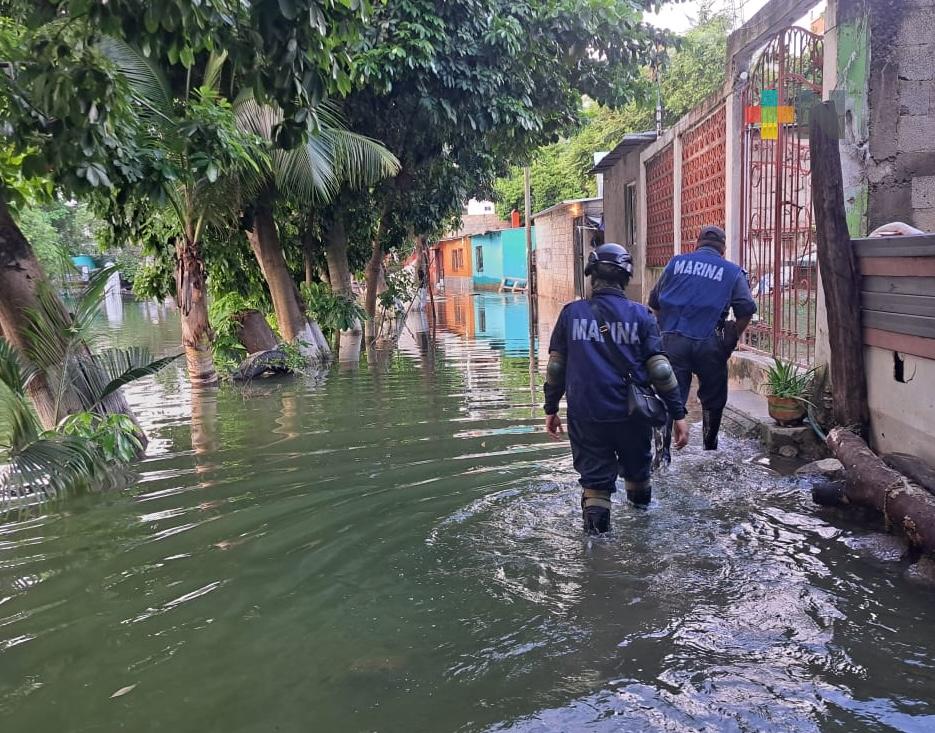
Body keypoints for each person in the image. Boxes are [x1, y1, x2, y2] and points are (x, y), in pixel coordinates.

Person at [543, 243, 690, 535]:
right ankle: (641, 543)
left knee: (595, 485)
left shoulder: (571, 314)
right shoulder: (642, 316)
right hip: (632, 415)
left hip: (587, 415)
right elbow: (660, 370)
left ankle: (597, 559)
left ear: (591, 276)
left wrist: (550, 408)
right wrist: (679, 413)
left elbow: (556, 368)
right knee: (638, 476)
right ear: (626, 277)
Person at [648, 225, 757, 457]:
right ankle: (710, 448)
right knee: (713, 399)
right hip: (710, 344)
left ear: (696, 245)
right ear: (723, 249)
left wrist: (666, 331)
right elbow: (746, 309)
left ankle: (661, 456)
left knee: (669, 397)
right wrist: (732, 336)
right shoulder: (732, 272)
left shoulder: (675, 264)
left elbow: (654, 303)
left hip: (673, 342)